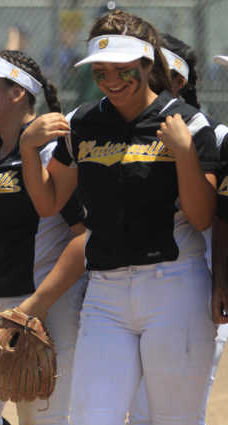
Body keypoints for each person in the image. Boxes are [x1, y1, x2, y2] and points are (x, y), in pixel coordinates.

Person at [16, 10, 218, 424]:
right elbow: (49, 202)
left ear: (148, 65)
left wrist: (183, 153)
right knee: (91, 417)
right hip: (105, 293)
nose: (110, 81)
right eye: (101, 71)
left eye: (123, 70)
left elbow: (201, 217)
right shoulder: (83, 123)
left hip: (175, 286)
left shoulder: (188, 123)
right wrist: (26, 150)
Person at [0, 50, 86, 425]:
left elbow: (84, 238)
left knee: (42, 418)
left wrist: (36, 306)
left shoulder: (51, 148)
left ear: (17, 93)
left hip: (45, 306)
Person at [127, 33, 228, 425]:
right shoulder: (126, 135)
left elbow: (214, 216)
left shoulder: (213, 136)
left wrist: (217, 277)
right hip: (138, 293)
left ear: (179, 81)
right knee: (142, 410)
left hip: (194, 291)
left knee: (177, 412)